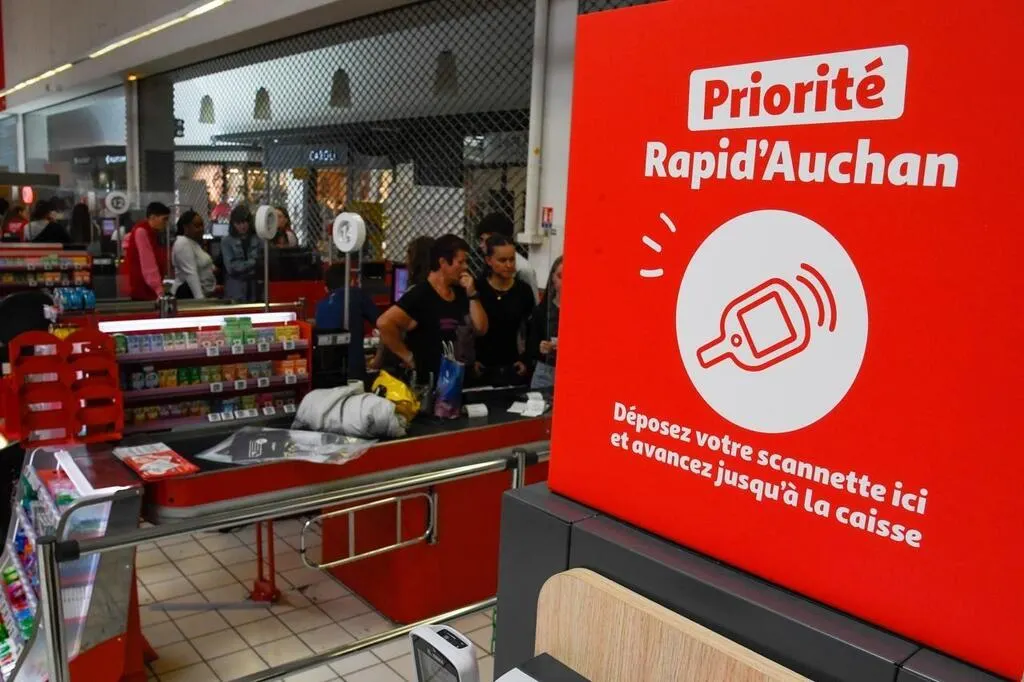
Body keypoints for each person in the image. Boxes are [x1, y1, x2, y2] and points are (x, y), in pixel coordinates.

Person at [377, 234, 487, 387]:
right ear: (442, 262)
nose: (465, 267)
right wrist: (408, 357)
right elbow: (384, 323)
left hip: (462, 380)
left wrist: (473, 295)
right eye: (460, 262)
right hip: (432, 384)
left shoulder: (462, 292)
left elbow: (481, 328)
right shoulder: (420, 295)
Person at [474, 235, 536, 385]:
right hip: (481, 366)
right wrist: (471, 360)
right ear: (489, 261)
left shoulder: (523, 290)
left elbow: (532, 328)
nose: (508, 265)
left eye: (512, 259)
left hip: (512, 366)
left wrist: (526, 359)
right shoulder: (478, 289)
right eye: (502, 260)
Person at [315, 263, 384, 383]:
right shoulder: (356, 294)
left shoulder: (321, 305)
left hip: (325, 371)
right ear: (351, 281)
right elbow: (384, 325)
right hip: (354, 372)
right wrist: (378, 359)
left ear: (326, 287)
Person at [475, 212, 538, 302]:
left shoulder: (523, 269)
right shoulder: (488, 261)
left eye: (483, 239)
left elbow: (533, 305)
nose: (481, 245)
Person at [121, 202, 171, 300]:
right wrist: (159, 290)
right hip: (144, 289)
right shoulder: (142, 232)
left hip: (144, 287)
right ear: (152, 217)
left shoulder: (147, 232)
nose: (166, 223)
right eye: (164, 219)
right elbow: (148, 263)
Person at [527, 256, 562, 390]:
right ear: (553, 278)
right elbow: (531, 348)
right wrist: (541, 348)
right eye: (561, 276)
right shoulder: (542, 310)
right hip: (547, 371)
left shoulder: (585, 311)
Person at [172, 210, 216, 299]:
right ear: (186, 227)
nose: (201, 229)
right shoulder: (182, 243)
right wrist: (200, 300)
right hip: (188, 294)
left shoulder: (194, 243)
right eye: (197, 226)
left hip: (201, 294)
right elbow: (191, 273)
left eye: (202, 225)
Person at [221, 205, 259, 302]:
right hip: (235, 290)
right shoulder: (226, 241)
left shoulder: (258, 239)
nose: (242, 226)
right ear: (233, 224)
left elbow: (263, 263)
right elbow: (232, 268)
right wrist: (253, 263)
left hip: (255, 289)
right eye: (238, 223)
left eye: (245, 222)